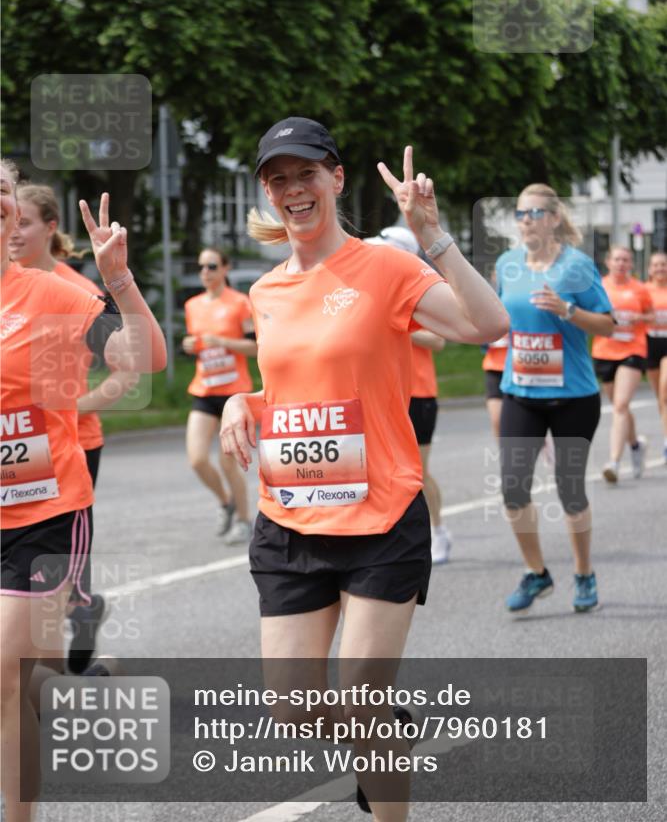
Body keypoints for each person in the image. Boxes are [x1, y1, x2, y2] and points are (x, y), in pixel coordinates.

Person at [220, 117, 508, 821]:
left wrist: (433, 235)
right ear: (267, 192)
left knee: (361, 698)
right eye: (278, 179)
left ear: (336, 178)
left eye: (306, 174)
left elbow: (485, 326)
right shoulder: (266, 291)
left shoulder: (387, 267)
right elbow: (295, 387)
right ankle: (383, 736)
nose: (293, 190)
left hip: (381, 513)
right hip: (292, 519)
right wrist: (240, 399)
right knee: (291, 709)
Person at [0, 159, 167, 822]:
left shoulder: (54, 294)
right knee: (24, 680)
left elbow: (146, 359)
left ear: (15, 211)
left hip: (44, 512)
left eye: (3, 195)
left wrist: (119, 281)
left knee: (7, 677)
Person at [9, 183, 140, 672]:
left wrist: (73, 405)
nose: (16, 231)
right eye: (11, 219)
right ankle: (73, 635)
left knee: (42, 594)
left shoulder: (74, 291)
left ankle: (76, 614)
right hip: (15, 453)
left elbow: (130, 370)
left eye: (25, 221)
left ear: (50, 227)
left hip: (70, 448)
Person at [496, 183, 614, 615]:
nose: (526, 221)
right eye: (520, 214)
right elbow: (494, 316)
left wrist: (567, 311)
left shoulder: (577, 268)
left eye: (535, 213)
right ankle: (537, 573)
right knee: (512, 490)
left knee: (570, 491)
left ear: (555, 218)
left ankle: (583, 573)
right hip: (521, 393)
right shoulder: (507, 265)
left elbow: (607, 325)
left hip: (574, 397)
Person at [367, 226, 451, 564]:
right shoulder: (374, 292)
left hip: (418, 393)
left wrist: (397, 322)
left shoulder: (417, 291)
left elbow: (439, 340)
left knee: (417, 472)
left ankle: (439, 530)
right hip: (384, 395)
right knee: (380, 470)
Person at [182, 247, 256, 544]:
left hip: (232, 393)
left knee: (228, 463)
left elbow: (255, 348)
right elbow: (198, 345)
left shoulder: (240, 303)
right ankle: (226, 502)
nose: (205, 273)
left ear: (225, 269)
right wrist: (190, 346)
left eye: (212, 266)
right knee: (197, 459)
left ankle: (244, 520)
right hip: (204, 389)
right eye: (201, 267)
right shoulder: (192, 306)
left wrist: (221, 341)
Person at [591, 246, 654, 483]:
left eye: (625, 260)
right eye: (617, 259)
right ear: (608, 262)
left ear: (631, 264)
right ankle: (636, 446)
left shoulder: (640, 289)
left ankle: (614, 462)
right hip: (605, 351)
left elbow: (650, 314)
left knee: (620, 405)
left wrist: (640, 318)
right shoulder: (600, 286)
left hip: (633, 349)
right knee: (621, 408)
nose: (621, 263)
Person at [645, 250, 667, 463]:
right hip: (650, 342)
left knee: (665, 389)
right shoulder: (644, 290)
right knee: (660, 398)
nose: (661, 268)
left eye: (664, 264)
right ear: (650, 269)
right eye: (657, 265)